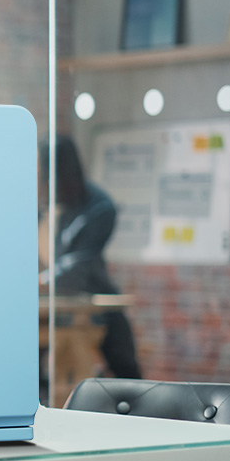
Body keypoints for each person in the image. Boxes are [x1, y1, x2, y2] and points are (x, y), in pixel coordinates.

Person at [39, 135, 142, 379]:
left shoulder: (100, 207)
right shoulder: (41, 203)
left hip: (90, 296)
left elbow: (82, 263)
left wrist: (42, 280)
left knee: (123, 359)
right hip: (46, 304)